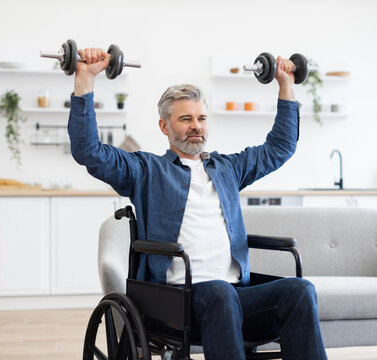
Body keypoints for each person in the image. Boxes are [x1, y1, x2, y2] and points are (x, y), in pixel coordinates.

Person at [68, 47, 327, 360]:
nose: (196, 126)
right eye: (186, 119)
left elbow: (280, 147)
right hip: (178, 301)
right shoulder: (146, 170)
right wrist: (84, 79)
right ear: (165, 126)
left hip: (235, 293)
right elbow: (89, 152)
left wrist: (286, 83)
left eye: (201, 118)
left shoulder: (228, 168)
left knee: (300, 291)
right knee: (220, 292)